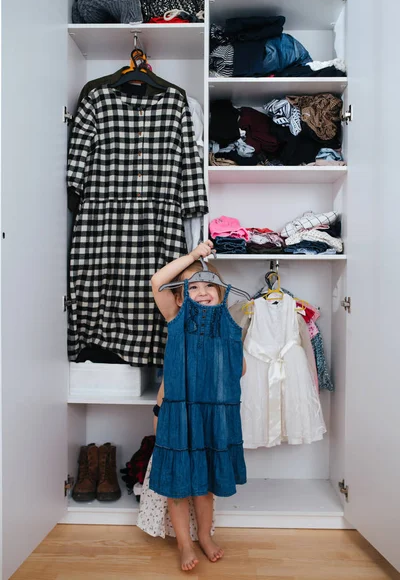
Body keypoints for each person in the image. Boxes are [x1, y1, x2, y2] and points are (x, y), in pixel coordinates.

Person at [138, 240, 247, 572]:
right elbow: (158, 281)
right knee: (179, 485)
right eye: (192, 287)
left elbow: (238, 370)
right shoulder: (176, 317)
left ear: (220, 291)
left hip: (212, 417)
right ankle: (184, 544)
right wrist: (195, 257)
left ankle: (205, 536)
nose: (202, 292)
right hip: (178, 414)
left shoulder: (228, 323)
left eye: (208, 285)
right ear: (180, 296)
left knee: (205, 486)